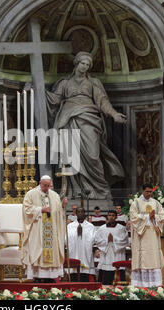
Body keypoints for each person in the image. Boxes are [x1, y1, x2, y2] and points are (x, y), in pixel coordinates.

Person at [46, 51, 127, 201]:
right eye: (83, 63)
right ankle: (75, 191)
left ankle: (100, 190)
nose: (85, 67)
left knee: (92, 155)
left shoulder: (93, 82)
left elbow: (102, 101)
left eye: (88, 64)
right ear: (76, 63)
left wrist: (114, 114)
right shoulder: (64, 83)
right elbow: (54, 100)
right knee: (71, 157)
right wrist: (36, 89)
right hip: (67, 120)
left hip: (88, 118)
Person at [22, 175, 68, 283]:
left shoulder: (55, 195)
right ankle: (38, 276)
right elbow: (26, 209)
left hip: (52, 230)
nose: (47, 188)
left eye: (49, 185)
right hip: (37, 229)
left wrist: (62, 206)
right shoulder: (31, 194)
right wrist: (41, 209)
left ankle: (51, 276)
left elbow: (58, 212)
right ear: (40, 183)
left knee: (52, 251)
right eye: (45, 185)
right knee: (37, 250)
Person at [129, 183, 164, 287]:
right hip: (141, 236)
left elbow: (162, 216)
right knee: (143, 260)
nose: (149, 194)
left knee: (153, 258)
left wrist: (154, 218)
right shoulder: (135, 203)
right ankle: (141, 285)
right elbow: (133, 218)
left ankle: (155, 285)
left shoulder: (156, 203)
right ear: (143, 191)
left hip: (153, 235)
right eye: (147, 192)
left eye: (151, 192)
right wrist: (147, 217)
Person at [94, 210, 129, 285]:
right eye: (109, 215)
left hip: (117, 255)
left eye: (113, 215)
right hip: (106, 256)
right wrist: (107, 240)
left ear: (116, 217)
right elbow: (97, 240)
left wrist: (114, 240)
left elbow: (125, 241)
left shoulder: (121, 228)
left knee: (118, 274)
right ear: (107, 216)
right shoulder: (102, 228)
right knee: (105, 278)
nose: (111, 217)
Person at [66, 207, 96, 282]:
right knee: (73, 277)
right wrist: (77, 233)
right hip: (74, 253)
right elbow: (66, 239)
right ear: (76, 214)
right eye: (78, 212)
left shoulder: (90, 226)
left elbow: (93, 239)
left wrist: (83, 234)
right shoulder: (70, 226)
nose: (80, 213)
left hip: (85, 254)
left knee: (84, 277)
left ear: (84, 213)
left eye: (82, 212)